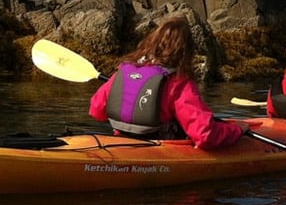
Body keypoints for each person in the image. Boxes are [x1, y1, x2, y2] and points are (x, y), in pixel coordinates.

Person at [88, 16, 246, 150]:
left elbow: (96, 110)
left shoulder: (125, 71)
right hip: (158, 147)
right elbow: (205, 135)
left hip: (120, 142)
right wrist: (237, 131)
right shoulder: (179, 82)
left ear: (153, 42)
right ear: (186, 52)